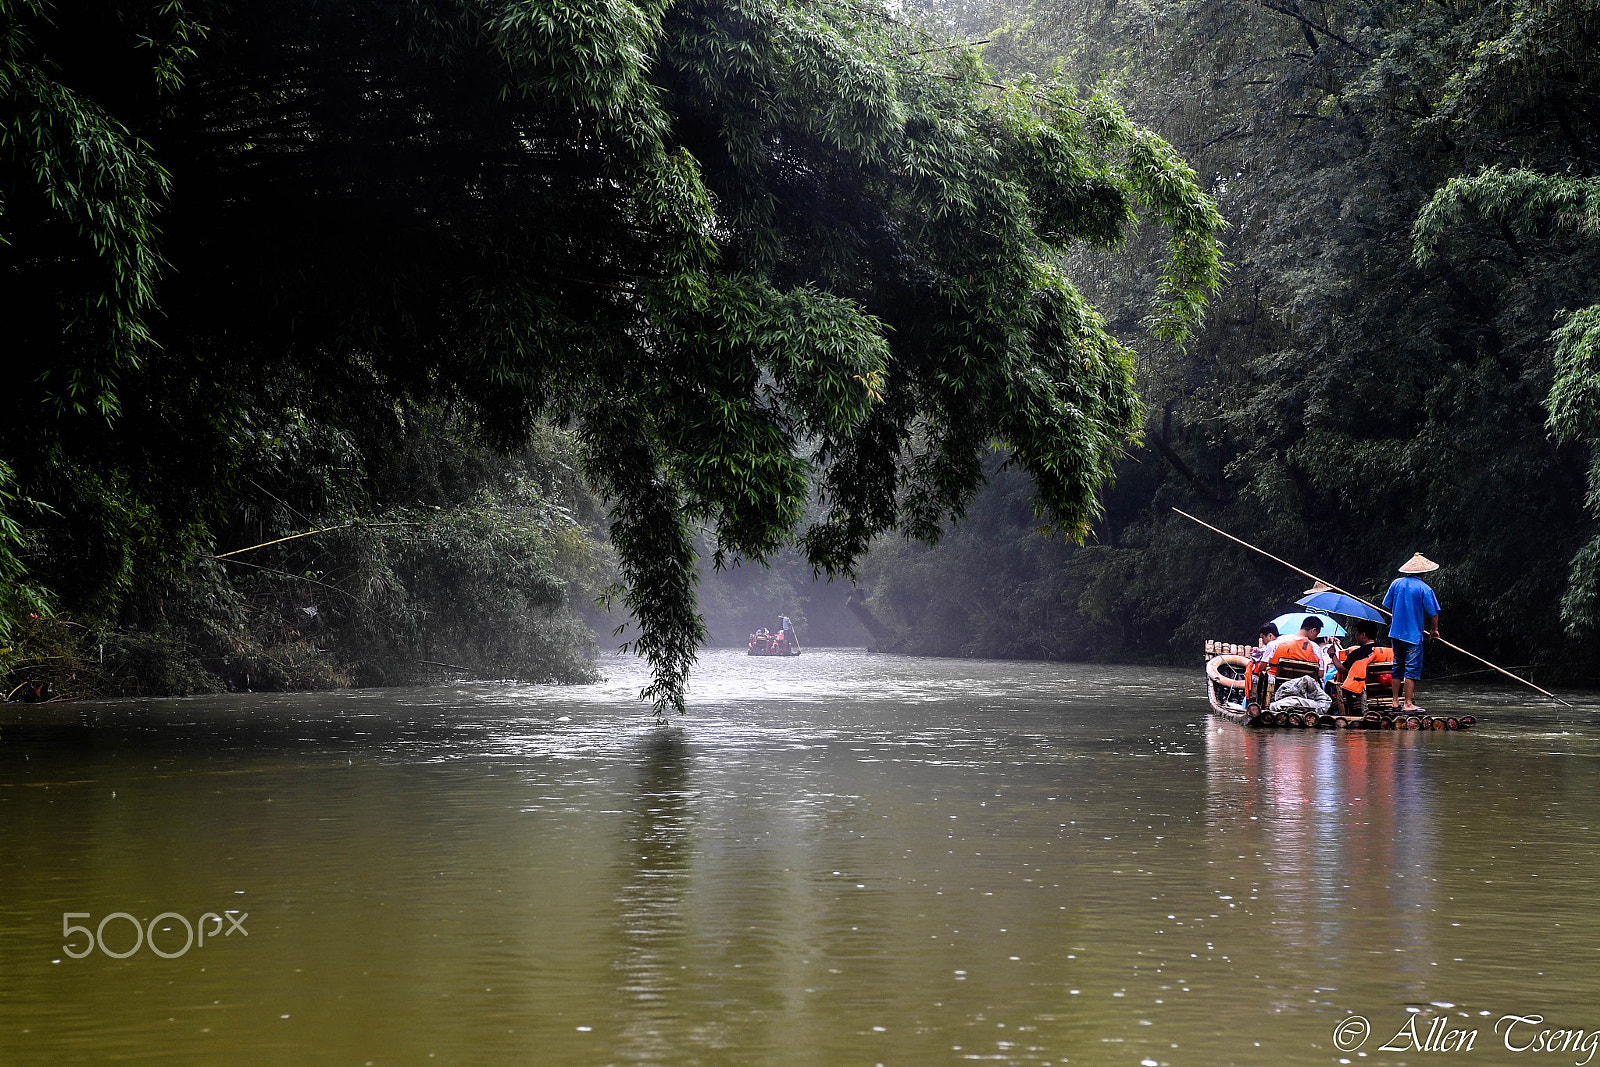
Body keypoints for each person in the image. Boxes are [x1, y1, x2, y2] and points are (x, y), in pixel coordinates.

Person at [1383, 554, 1441, 713]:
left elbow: (1387, 604)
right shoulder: (1424, 588)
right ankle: (1408, 703)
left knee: (1397, 667)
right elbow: (1433, 613)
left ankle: (1395, 702)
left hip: (1396, 633)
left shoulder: (1396, 584)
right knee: (1411, 668)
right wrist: (1434, 630)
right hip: (1413, 636)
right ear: (1424, 572)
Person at [1332, 620, 1382, 715]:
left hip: (1362, 691)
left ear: (1363, 635)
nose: (1355, 635)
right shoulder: (1386, 649)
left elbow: (1342, 670)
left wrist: (1332, 654)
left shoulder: (1357, 653)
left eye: (1356, 633)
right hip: (1384, 688)